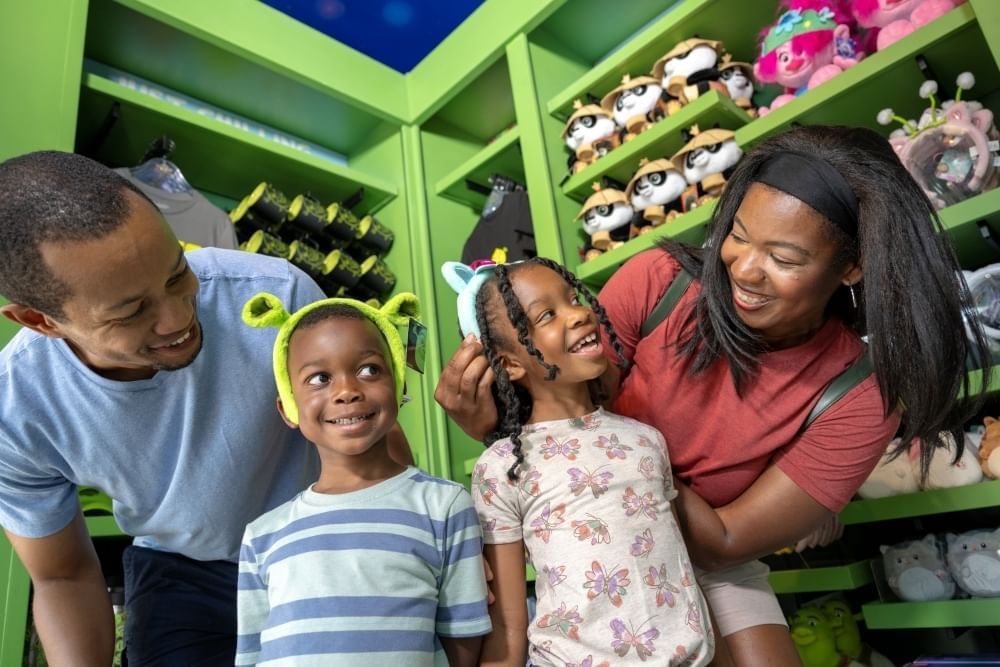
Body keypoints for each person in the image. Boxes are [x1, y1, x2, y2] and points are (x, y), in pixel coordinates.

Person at [435, 125, 992, 665]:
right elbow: (558, 414)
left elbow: (724, 542)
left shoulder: (860, 393)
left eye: (786, 258)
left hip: (711, 552)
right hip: (599, 539)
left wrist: (632, 460)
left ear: (852, 266)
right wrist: (495, 425)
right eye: (739, 237)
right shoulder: (660, 281)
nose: (745, 270)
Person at [0, 150, 411, 664]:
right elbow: (62, 576)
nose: (177, 319)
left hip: (320, 537)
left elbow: (370, 435)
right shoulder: (13, 411)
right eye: (131, 312)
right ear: (40, 321)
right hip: (179, 572)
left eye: (177, 275)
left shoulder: (277, 294)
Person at [443, 257, 713, 666]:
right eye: (547, 314)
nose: (579, 313)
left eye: (572, 299)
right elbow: (510, 625)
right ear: (511, 363)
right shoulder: (501, 468)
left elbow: (685, 576)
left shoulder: (646, 441)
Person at [236, 291, 491, 665]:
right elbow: (251, 655)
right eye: (320, 378)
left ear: (399, 383)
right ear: (288, 407)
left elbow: (463, 644)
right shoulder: (261, 536)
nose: (347, 392)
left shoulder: (444, 506)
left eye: (369, 370)